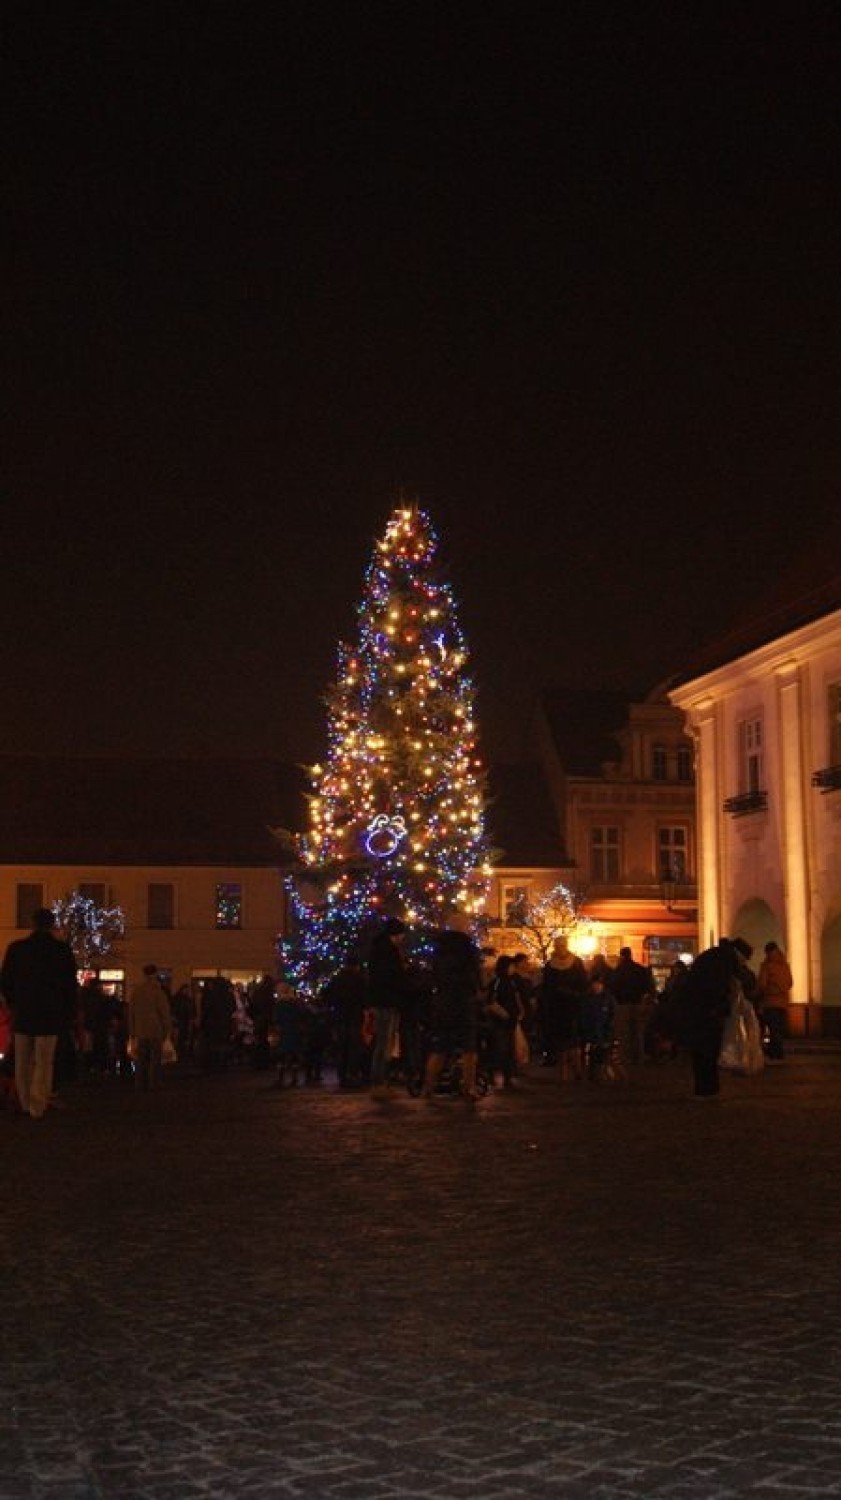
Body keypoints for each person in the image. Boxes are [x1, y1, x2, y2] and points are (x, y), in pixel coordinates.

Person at [1, 907, 78, 1119]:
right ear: (51, 925)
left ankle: (25, 1102)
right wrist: (67, 1011)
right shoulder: (61, 951)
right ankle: (38, 1102)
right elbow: (69, 985)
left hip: (24, 1013)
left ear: (32, 923)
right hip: (50, 1015)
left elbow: (6, 981)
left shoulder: (17, 949)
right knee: (44, 1061)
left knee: (22, 1061)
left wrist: (13, 1003)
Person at [422, 917, 483, 1101]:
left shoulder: (439, 949)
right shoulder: (468, 948)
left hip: (443, 1003)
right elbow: (473, 976)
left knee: (440, 1048)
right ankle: (469, 1087)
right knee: (469, 1049)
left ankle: (428, 1088)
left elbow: (435, 975)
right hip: (463, 1002)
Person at [675, 938, 738, 1097]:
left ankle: (703, 1088)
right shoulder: (722, 963)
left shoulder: (709, 957)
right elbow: (718, 988)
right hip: (708, 1012)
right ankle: (709, 1088)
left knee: (701, 1052)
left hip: (696, 1010)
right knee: (709, 1051)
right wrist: (720, 1008)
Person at [366, 917, 412, 1099]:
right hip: (387, 1001)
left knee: (384, 1043)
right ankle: (379, 1083)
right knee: (385, 1044)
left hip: (381, 1000)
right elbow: (394, 977)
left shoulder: (378, 949)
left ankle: (379, 1082)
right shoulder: (389, 951)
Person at [540, 936, 588, 1081]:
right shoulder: (550, 965)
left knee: (573, 1039)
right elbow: (547, 986)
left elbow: (583, 983)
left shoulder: (576, 962)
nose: (560, 948)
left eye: (562, 945)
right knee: (560, 1041)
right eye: (558, 946)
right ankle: (564, 1072)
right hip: (557, 1007)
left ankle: (577, 1070)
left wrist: (574, 993)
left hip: (573, 1005)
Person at [127, 963, 173, 1092]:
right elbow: (164, 1012)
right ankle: (154, 1082)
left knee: (141, 1059)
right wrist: (167, 1029)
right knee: (155, 1059)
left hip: (140, 1030)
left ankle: (140, 1082)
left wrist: (132, 1031)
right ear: (155, 974)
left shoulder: (137, 992)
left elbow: (131, 1013)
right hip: (155, 1029)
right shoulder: (157, 991)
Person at [611, 946, 655, 1069]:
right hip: (638, 1003)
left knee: (624, 1034)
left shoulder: (619, 971)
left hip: (623, 1004)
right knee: (638, 1033)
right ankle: (639, 1057)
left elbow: (613, 987)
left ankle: (626, 1058)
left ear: (622, 956)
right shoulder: (640, 970)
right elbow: (649, 987)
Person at [484, 954, 520, 1088]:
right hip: (500, 1021)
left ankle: (507, 1076)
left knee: (508, 1048)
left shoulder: (511, 981)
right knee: (499, 1048)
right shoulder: (498, 981)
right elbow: (491, 1000)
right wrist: (502, 1012)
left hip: (509, 1020)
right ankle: (494, 1074)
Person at [757, 941, 793, 1061]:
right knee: (778, 1028)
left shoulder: (767, 965)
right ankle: (777, 1051)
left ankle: (775, 1052)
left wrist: (766, 991)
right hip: (783, 1003)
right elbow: (790, 983)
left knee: (772, 1028)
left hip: (770, 1002)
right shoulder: (785, 965)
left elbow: (762, 984)